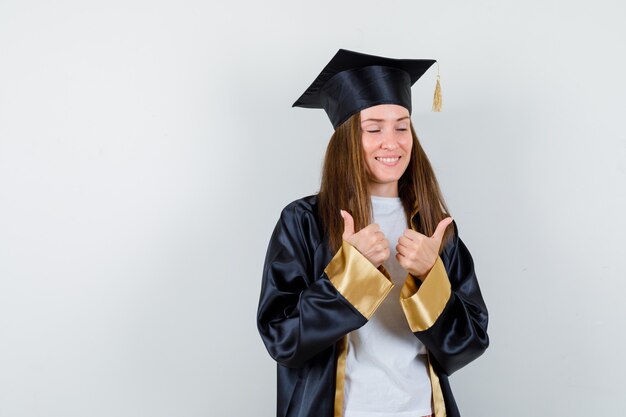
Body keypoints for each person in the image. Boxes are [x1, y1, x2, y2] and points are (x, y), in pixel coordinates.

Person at [256, 49, 489, 417]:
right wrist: (352, 274)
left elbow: (467, 345)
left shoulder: (432, 223)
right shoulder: (303, 221)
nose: (392, 142)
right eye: (374, 128)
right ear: (348, 137)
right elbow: (283, 341)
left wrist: (431, 277)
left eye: (402, 125)